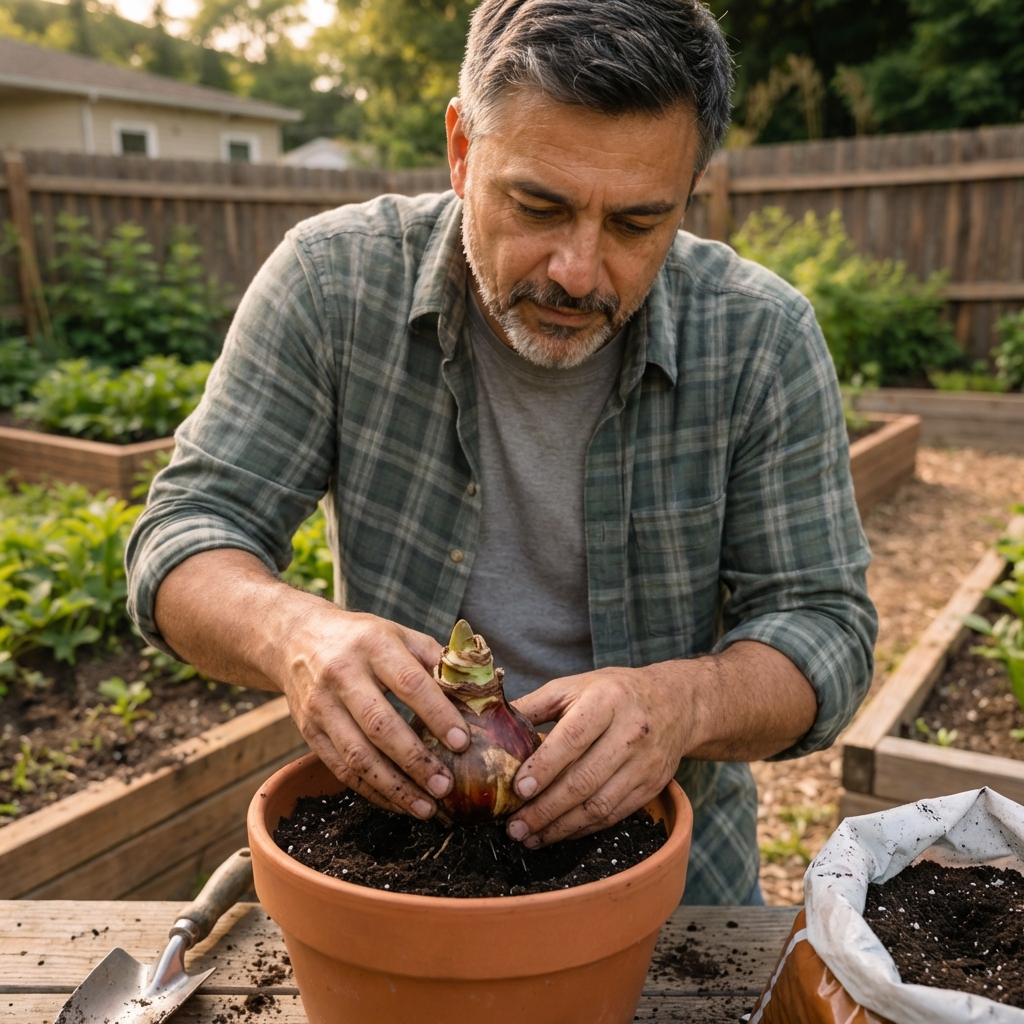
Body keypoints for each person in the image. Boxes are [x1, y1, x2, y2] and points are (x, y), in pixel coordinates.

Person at [126, 0, 877, 905]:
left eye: (638, 225)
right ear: (460, 149)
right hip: (395, 857)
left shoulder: (759, 338)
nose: (577, 268)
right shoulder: (332, 283)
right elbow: (183, 537)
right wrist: (295, 633)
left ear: (691, 190)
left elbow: (825, 628)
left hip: (670, 887)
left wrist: (684, 704)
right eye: (538, 205)